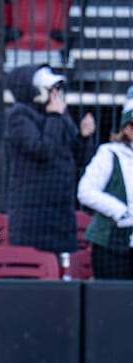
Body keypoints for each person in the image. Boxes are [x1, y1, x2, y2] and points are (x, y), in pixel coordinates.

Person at [5, 63, 95, 266]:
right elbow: (41, 149)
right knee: (34, 265)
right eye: (50, 89)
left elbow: (78, 157)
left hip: (60, 209)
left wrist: (83, 136)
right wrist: (55, 117)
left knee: (62, 264)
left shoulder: (59, 114)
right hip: (34, 212)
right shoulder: (20, 115)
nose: (55, 93)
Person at [76, 87, 133, 278]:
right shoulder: (109, 153)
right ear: (127, 128)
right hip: (111, 244)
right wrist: (120, 212)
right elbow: (86, 191)